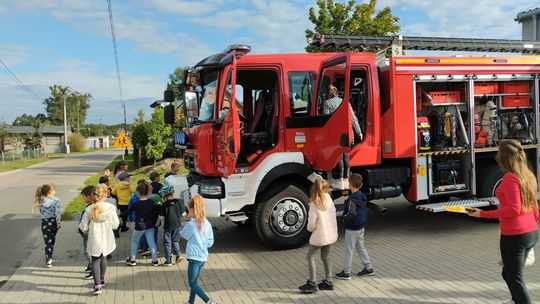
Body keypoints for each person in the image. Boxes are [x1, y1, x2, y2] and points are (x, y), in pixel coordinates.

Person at [468, 140, 539, 304]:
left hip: (515, 235)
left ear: (504, 158)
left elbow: (514, 209)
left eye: (499, 153)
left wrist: (483, 214)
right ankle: (516, 300)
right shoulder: (528, 176)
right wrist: (532, 228)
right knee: (508, 273)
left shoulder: (510, 178)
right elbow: (534, 206)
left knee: (515, 278)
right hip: (530, 233)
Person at [298, 178, 338, 294]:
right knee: (326, 256)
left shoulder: (314, 203)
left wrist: (309, 229)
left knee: (310, 256)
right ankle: (329, 281)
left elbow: (311, 224)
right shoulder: (329, 199)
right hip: (330, 235)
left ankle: (312, 283)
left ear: (313, 189)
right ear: (326, 188)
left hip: (320, 235)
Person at [79, 184, 120, 295]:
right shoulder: (110, 208)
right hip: (106, 237)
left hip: (94, 238)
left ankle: (97, 286)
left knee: (95, 261)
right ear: (105, 195)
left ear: (93, 196)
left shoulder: (88, 209)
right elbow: (115, 224)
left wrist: (87, 231)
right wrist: (110, 227)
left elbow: (83, 226)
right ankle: (102, 278)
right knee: (104, 257)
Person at [323, 85, 363, 190]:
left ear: (329, 93)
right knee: (346, 157)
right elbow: (353, 118)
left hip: (336, 134)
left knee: (340, 157)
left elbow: (326, 120)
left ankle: (341, 180)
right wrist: (359, 132)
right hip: (348, 133)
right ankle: (346, 180)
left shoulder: (327, 103)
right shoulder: (346, 103)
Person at [335, 173, 374, 280]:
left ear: (350, 184)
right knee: (361, 247)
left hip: (352, 228)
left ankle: (346, 272)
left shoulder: (352, 198)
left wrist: (344, 218)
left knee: (349, 250)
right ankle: (369, 267)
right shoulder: (362, 195)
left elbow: (352, 213)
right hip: (361, 226)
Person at [181, 194, 215, 304]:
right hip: (203, 257)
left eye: (189, 211)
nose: (188, 214)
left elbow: (183, 234)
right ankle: (190, 302)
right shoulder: (208, 224)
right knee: (194, 282)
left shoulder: (191, 224)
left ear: (192, 210)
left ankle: (208, 301)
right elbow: (210, 242)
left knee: (192, 283)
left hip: (193, 257)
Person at [122, 181, 159, 266]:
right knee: (152, 242)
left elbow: (127, 212)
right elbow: (155, 212)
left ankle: (133, 260)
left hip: (139, 226)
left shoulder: (136, 203)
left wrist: (120, 215)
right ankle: (155, 261)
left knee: (134, 241)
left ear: (138, 192)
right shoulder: (151, 202)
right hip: (150, 225)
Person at [33, 184, 61, 268]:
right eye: (54, 190)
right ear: (50, 192)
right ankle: (49, 256)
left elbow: (41, 212)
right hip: (53, 222)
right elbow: (57, 212)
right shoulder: (56, 200)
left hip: (44, 222)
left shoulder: (40, 200)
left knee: (47, 241)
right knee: (52, 239)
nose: (55, 192)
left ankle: (49, 258)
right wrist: (58, 222)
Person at [159, 183, 186, 266]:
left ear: (164, 194)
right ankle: (178, 255)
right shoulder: (179, 202)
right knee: (175, 240)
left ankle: (168, 260)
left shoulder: (164, 205)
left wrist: (157, 224)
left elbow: (161, 217)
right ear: (173, 192)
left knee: (167, 242)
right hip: (177, 225)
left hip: (168, 225)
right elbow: (184, 214)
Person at [79, 186, 95, 280]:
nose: (83, 198)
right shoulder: (94, 206)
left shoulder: (89, 208)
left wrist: (81, 229)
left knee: (88, 252)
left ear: (89, 196)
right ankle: (91, 266)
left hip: (88, 233)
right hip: (91, 233)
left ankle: (94, 269)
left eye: (83, 196)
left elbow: (84, 222)